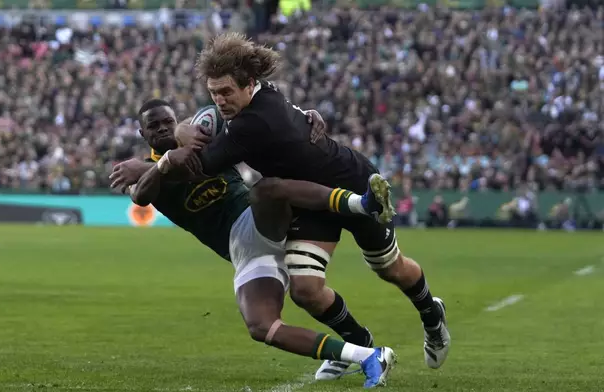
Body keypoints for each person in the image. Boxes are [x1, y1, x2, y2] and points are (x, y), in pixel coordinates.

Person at [161, 33, 451, 379]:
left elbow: (200, 166)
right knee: (305, 290)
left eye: (226, 92)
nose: (219, 100)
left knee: (389, 268)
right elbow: (217, 126)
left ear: (249, 84)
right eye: (213, 92)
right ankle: (359, 344)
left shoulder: (252, 124)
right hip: (310, 201)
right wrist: (187, 129)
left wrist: (179, 135)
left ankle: (432, 316)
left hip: (352, 180)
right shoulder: (256, 100)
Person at [109, 99, 397, 388]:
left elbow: (253, 112)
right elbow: (140, 196)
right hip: (242, 250)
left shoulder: (203, 139)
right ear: (142, 134)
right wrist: (163, 165)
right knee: (261, 326)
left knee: (266, 190)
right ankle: (366, 353)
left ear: (176, 121)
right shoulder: (143, 171)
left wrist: (299, 116)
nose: (161, 129)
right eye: (153, 126)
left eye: (166, 122)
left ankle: (361, 202)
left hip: (258, 219)